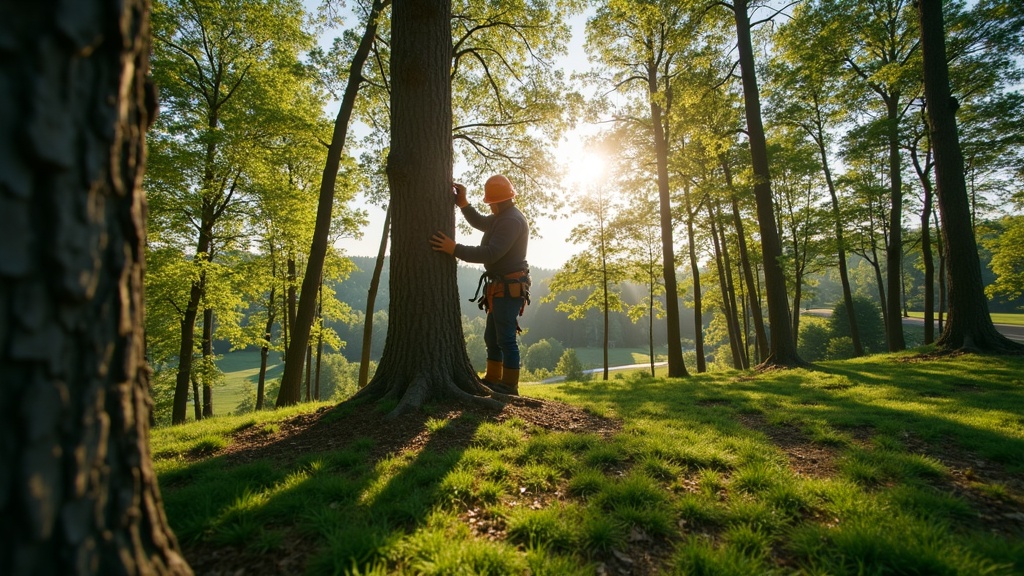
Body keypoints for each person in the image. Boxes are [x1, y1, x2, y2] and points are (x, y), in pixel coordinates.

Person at [430, 174, 530, 395]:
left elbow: (491, 253)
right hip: (500, 286)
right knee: (492, 337)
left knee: (505, 338)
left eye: (490, 202)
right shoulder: (502, 216)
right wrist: (463, 203)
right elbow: (480, 222)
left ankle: (509, 386)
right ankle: (493, 379)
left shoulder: (511, 220)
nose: (490, 207)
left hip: (509, 286)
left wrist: (454, 249)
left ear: (496, 201)